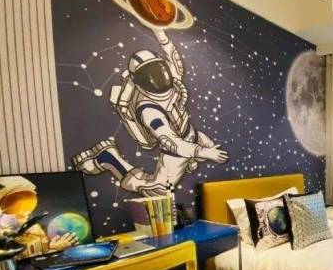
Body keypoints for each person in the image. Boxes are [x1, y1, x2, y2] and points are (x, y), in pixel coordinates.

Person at [73, 28, 227, 196]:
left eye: (158, 70)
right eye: (148, 74)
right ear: (137, 80)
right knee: (157, 191)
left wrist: (161, 34)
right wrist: (204, 152)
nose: (156, 77)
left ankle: (192, 160)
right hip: (175, 153)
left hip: (193, 136)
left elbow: (173, 59)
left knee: (210, 154)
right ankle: (110, 158)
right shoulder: (148, 109)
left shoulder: (173, 82)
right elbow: (171, 141)